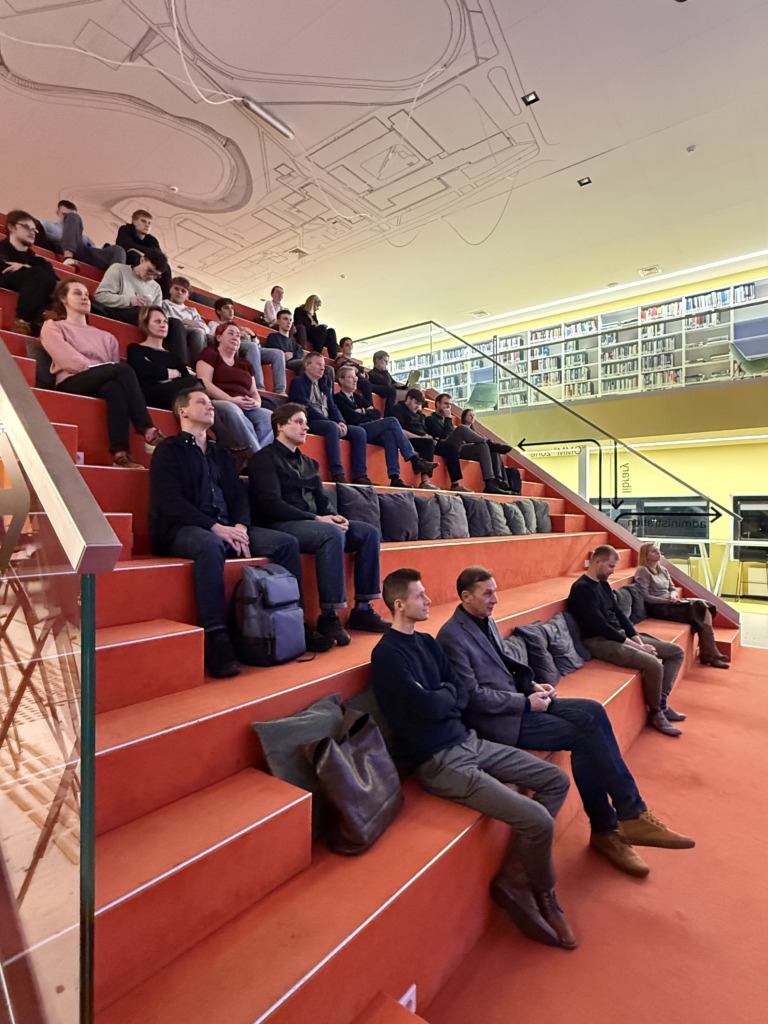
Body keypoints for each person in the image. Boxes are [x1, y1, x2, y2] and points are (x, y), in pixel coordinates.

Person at [437, 566, 695, 877]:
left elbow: (504, 668)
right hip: (500, 721)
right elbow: (471, 696)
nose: (495, 599)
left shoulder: (485, 619)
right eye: (487, 594)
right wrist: (525, 702)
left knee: (593, 710)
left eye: (495, 591)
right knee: (584, 736)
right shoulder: (451, 637)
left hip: (521, 702)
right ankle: (616, 823)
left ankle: (623, 819)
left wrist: (533, 686)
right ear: (466, 597)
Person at [371, 568, 576, 950]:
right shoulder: (386, 656)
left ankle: (514, 877)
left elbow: (459, 695)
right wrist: (443, 697)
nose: (429, 600)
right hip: (440, 762)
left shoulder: (427, 643)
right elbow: (427, 706)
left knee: (556, 780)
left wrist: (441, 696)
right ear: (399, 605)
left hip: (468, 741)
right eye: (420, 596)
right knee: (537, 820)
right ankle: (544, 893)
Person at [149, 390, 325, 677]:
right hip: (185, 529)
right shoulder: (168, 450)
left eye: (211, 403)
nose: (211, 407)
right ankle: (216, 636)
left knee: (286, 543)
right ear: (183, 411)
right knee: (210, 545)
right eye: (202, 402)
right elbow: (170, 501)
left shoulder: (220, 453)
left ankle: (295, 622)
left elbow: (237, 496)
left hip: (230, 527)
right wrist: (216, 527)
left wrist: (241, 526)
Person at [247, 403, 391, 647]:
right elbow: (270, 505)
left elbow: (322, 501)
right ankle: (329, 615)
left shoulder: (310, 463)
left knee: (368, 532)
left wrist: (334, 516)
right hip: (281, 523)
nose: (306, 427)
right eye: (298, 422)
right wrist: (317, 519)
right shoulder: (263, 459)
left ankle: (362, 609)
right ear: (280, 426)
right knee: (331, 534)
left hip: (314, 524)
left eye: (306, 422)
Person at [40, 279, 164, 468]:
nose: (84, 298)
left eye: (86, 294)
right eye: (77, 293)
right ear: (63, 298)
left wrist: (104, 370)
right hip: (72, 380)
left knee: (115, 388)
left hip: (101, 380)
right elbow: (67, 360)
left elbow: (112, 372)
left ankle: (120, 454)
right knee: (122, 370)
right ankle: (148, 429)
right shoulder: (53, 326)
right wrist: (99, 369)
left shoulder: (107, 337)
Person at [567, 546, 686, 737]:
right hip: (598, 641)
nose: (613, 571)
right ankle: (656, 712)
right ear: (597, 561)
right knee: (654, 664)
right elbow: (600, 626)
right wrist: (639, 647)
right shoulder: (582, 589)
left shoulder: (604, 584)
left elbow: (621, 616)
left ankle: (662, 702)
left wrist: (637, 640)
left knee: (675, 652)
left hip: (619, 634)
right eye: (610, 566)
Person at [334, 364, 437, 487]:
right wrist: (366, 412)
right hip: (354, 429)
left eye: (355, 377)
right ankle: (414, 459)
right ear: (341, 380)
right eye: (351, 377)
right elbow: (352, 418)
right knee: (391, 421)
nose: (355, 380)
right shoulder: (338, 398)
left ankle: (395, 477)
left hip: (367, 428)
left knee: (390, 435)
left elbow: (376, 413)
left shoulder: (358, 397)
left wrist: (362, 411)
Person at [635, 543, 729, 669]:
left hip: (671, 602)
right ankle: (709, 653)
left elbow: (672, 588)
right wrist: (665, 601)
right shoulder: (643, 571)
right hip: (658, 607)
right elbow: (645, 597)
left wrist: (673, 595)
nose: (658, 553)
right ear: (645, 555)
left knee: (705, 606)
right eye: (654, 551)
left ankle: (709, 653)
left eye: (658, 550)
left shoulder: (663, 570)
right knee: (700, 608)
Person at [288, 351, 371, 485]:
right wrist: (332, 422)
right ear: (307, 365)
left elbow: (332, 407)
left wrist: (341, 421)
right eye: (318, 364)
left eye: (323, 365)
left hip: (329, 422)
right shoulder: (298, 382)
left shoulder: (324, 385)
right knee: (332, 427)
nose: (322, 368)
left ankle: (360, 475)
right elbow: (305, 408)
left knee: (359, 432)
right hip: (310, 421)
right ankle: (337, 473)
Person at [195, 323, 274, 459]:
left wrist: (257, 403)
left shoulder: (245, 364)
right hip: (219, 402)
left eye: (238, 335)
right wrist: (230, 399)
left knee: (270, 417)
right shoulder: (210, 354)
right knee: (232, 409)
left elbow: (254, 391)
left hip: (246, 406)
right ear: (219, 337)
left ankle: (254, 459)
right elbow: (204, 383)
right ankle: (260, 460)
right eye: (230, 333)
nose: (235, 337)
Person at [426, 393, 508, 494]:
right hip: (444, 447)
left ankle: (490, 483)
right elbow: (446, 436)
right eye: (445, 404)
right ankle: (488, 442)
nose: (448, 407)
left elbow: (451, 434)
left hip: (458, 448)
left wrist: (447, 420)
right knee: (461, 428)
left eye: (450, 405)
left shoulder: (447, 420)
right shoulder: (430, 419)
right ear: (438, 404)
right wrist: (448, 418)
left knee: (482, 446)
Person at [126, 306, 203, 409]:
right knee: (195, 385)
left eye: (165, 322)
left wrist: (159, 372)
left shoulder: (173, 356)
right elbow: (145, 370)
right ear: (146, 324)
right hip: (148, 395)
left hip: (173, 396)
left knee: (198, 386)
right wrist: (176, 373)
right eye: (157, 321)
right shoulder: (135, 348)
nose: (163, 325)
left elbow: (186, 377)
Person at [207, 297, 286, 394]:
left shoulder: (239, 326)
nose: (231, 311)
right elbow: (213, 338)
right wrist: (235, 334)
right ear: (219, 311)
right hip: (234, 346)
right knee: (252, 346)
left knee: (278, 353)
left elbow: (258, 346)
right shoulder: (214, 324)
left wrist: (252, 335)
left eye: (232, 308)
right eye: (226, 308)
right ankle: (259, 387)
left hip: (251, 348)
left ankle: (280, 390)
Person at [391, 388, 463, 490]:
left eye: (420, 404)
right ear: (409, 398)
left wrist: (429, 437)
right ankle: (425, 481)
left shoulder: (419, 414)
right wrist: (421, 437)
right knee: (428, 443)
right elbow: (399, 431)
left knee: (451, 448)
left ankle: (455, 484)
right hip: (408, 439)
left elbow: (425, 431)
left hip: (423, 439)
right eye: (416, 403)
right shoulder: (398, 409)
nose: (418, 406)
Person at [0, 209, 58, 334]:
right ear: (11, 227)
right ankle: (22, 323)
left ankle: (37, 325)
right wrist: (31, 271)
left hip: (35, 295)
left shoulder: (40, 262)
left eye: (34, 230)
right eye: (27, 227)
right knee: (38, 274)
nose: (32, 233)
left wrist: (25, 267)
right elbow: (4, 269)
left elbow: (56, 283)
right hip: (5, 283)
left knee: (66, 291)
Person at [39, 200, 126, 270]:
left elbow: (92, 250)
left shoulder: (85, 237)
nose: (67, 218)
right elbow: (35, 228)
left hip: (82, 251)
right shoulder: (49, 225)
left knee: (118, 250)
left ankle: (117, 280)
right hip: (61, 247)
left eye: (70, 216)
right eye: (65, 215)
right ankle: (68, 258)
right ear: (57, 213)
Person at [115, 209, 171, 298]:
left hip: (146, 263)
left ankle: (165, 298)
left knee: (166, 267)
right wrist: (147, 253)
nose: (147, 225)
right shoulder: (125, 229)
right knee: (133, 254)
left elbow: (159, 257)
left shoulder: (152, 240)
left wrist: (140, 251)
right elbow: (126, 245)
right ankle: (133, 289)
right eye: (143, 221)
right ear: (134, 221)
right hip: (127, 261)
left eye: (149, 223)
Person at [335, 337, 396, 413]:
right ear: (341, 348)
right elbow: (349, 369)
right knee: (366, 383)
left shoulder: (354, 362)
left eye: (351, 344)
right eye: (347, 345)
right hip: (355, 381)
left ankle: (388, 414)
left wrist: (359, 372)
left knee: (391, 391)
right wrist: (360, 373)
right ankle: (369, 406)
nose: (350, 347)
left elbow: (365, 374)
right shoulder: (340, 359)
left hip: (365, 382)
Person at [162, 276, 209, 365]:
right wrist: (184, 321)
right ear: (170, 290)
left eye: (183, 291)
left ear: (187, 296)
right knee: (198, 332)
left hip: (194, 333)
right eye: (176, 288)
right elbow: (163, 319)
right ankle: (196, 365)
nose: (179, 292)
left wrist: (196, 324)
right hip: (173, 331)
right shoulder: (164, 304)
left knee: (210, 338)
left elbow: (206, 329)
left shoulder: (192, 310)